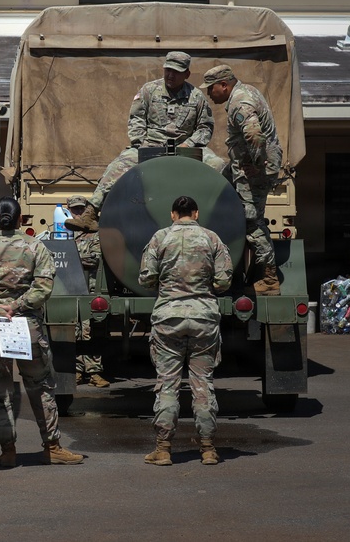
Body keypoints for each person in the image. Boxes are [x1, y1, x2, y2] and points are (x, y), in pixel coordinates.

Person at [0, 197, 84, 468]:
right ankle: (52, 446)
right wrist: (17, 305)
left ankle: (8, 450)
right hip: (26, 325)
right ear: (20, 218)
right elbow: (43, 287)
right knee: (41, 386)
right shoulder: (35, 247)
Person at [76, 51, 225, 231]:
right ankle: (90, 213)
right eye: (168, 70)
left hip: (186, 147)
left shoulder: (196, 97)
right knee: (118, 166)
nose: (171, 75)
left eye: (176, 71)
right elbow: (136, 120)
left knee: (218, 165)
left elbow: (205, 127)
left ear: (186, 74)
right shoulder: (149, 90)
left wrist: (190, 144)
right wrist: (141, 144)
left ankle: (232, 215)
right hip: (150, 145)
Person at [138, 195, 233, 467]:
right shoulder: (211, 238)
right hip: (204, 318)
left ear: (172, 214)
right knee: (203, 385)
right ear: (196, 212)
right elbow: (224, 279)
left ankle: (163, 449)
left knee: (167, 384)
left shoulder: (159, 238)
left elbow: (146, 278)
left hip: (168, 318)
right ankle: (208, 449)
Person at [201, 64, 284, 295]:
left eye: (211, 88)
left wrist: (257, 165)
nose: (209, 93)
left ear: (224, 85)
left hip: (254, 172)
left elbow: (254, 134)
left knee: (252, 220)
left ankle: (269, 279)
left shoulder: (240, 101)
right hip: (245, 168)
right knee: (220, 183)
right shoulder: (246, 92)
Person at [64, 195, 110, 389]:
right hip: (71, 290)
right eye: (74, 210)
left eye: (81, 209)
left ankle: (94, 372)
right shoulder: (66, 235)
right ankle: (76, 370)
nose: (78, 213)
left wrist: (71, 259)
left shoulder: (96, 234)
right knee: (73, 332)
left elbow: (95, 259)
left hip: (91, 289)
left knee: (91, 331)